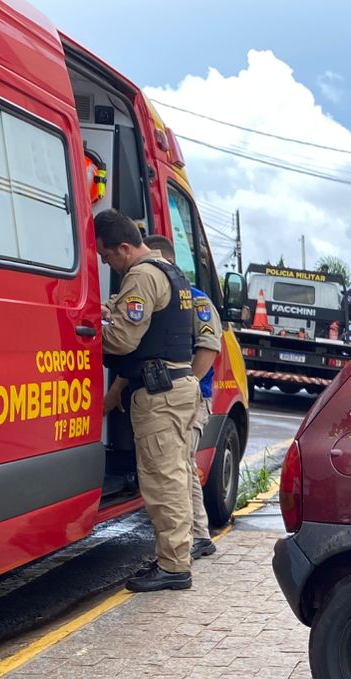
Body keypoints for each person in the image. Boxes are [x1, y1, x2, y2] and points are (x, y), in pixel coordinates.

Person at [95, 209, 200, 592]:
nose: (109, 264)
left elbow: (123, 340)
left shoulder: (141, 275)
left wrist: (87, 333)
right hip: (178, 387)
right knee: (175, 475)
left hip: (160, 394)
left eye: (108, 256)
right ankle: (175, 559)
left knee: (163, 480)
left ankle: (173, 567)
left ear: (125, 247)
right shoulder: (171, 272)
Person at [144, 235, 222, 561]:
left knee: (181, 466)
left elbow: (208, 347)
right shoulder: (161, 297)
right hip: (173, 395)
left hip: (192, 397)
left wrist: (186, 386)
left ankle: (199, 535)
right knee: (181, 465)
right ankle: (197, 534)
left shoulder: (196, 301)